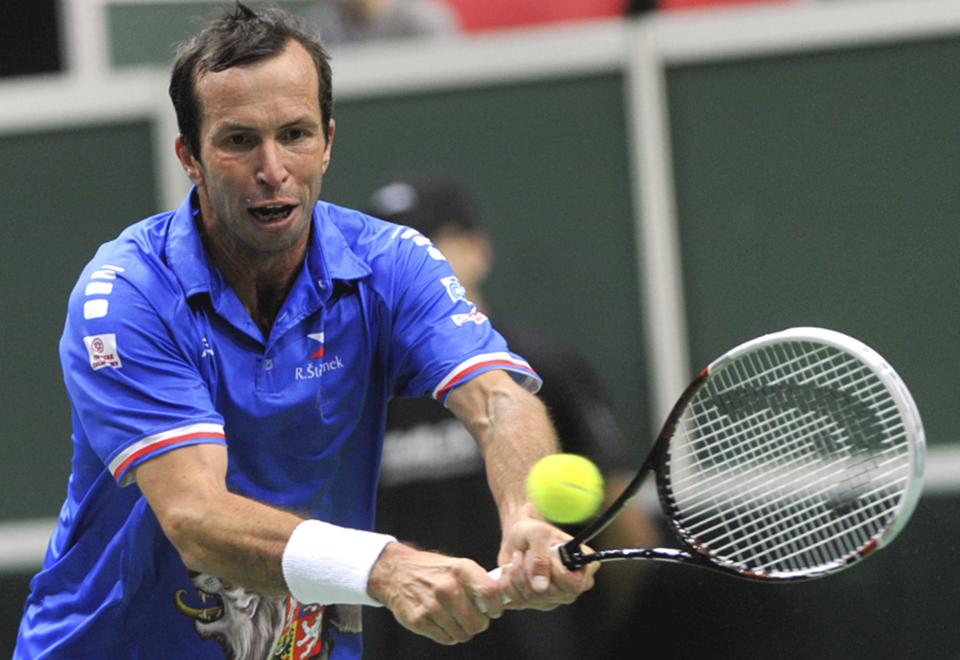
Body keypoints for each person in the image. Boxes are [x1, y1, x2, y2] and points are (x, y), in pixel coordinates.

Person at [14, 4, 595, 658]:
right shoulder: (126, 294)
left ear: (329, 140)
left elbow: (498, 397)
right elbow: (197, 518)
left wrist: (525, 515)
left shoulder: (393, 262)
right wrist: (387, 567)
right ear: (190, 156)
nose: (273, 168)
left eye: (295, 133)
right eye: (239, 141)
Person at [362, 175, 658, 658]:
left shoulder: (548, 366)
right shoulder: (352, 386)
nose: (407, 269)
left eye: (427, 245)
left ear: (478, 248)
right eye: (392, 253)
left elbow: (627, 529)